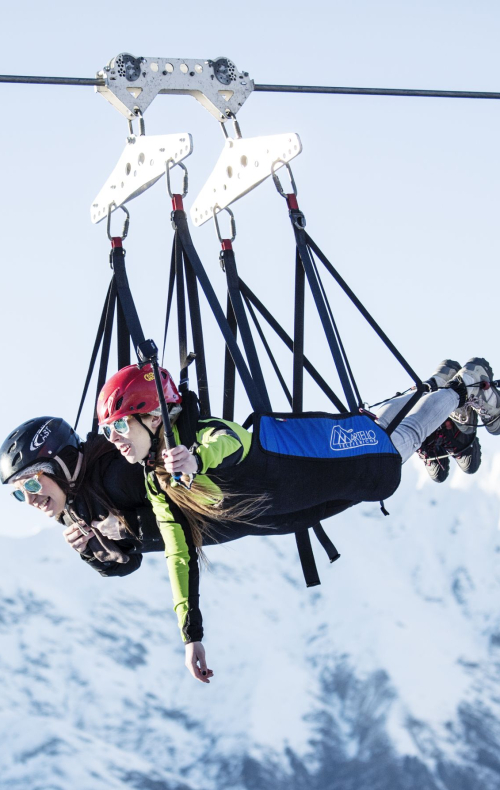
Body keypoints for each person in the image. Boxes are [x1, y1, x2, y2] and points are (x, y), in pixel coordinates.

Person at [96, 356, 500, 685]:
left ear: (152, 417)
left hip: (314, 461)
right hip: (308, 487)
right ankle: (437, 385)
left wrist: (196, 460)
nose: (113, 439)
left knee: (390, 453)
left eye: (117, 426)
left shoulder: (200, 436)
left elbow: (231, 442)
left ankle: (465, 386)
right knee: (376, 435)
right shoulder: (158, 481)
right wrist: (192, 635)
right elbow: (179, 554)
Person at [0, 417, 164, 575]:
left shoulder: (120, 473)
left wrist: (130, 525)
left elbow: (188, 512)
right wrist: (90, 553)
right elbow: (129, 563)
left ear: (59, 466)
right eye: (20, 494)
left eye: (31, 484)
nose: (30, 500)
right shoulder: (71, 510)